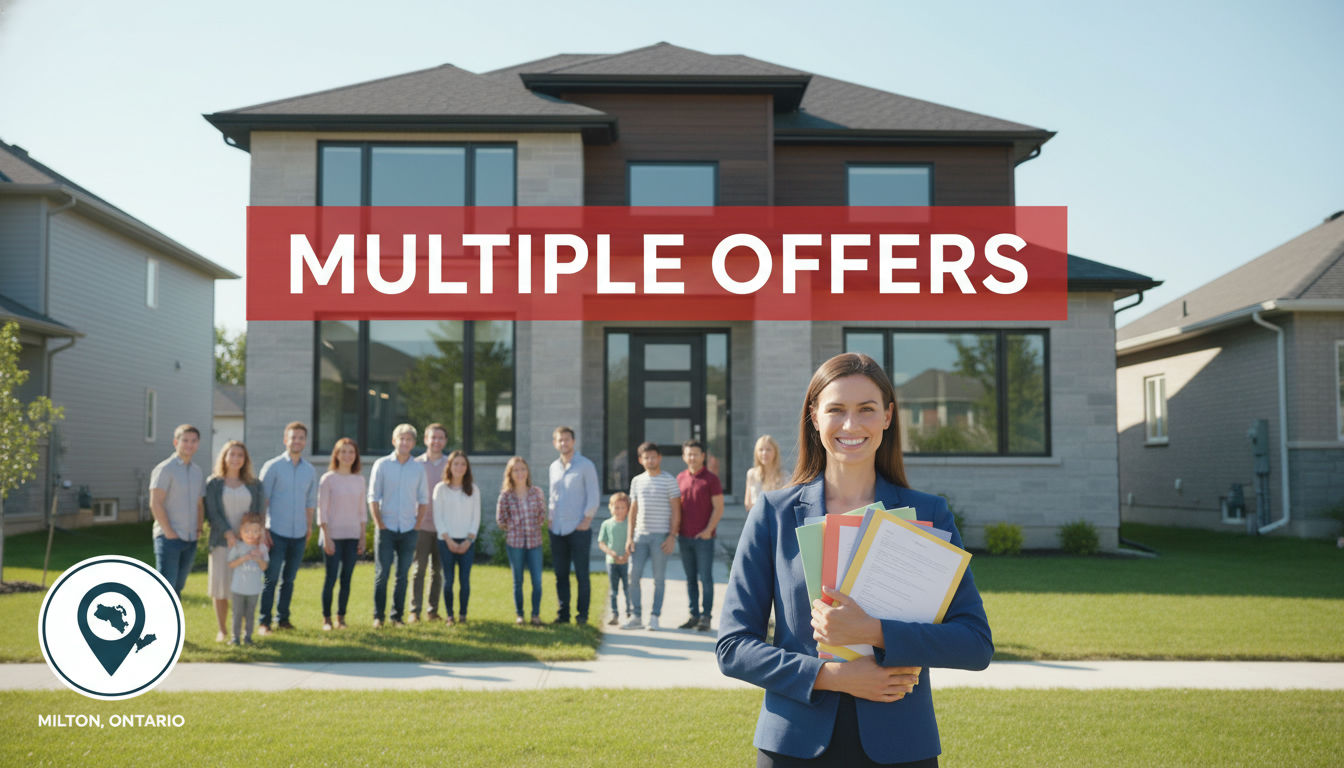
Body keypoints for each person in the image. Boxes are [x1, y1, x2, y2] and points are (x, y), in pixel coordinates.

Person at [717, 353, 992, 767]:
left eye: (866, 409)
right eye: (836, 410)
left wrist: (874, 631)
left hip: (901, 746)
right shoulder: (774, 513)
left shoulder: (928, 514)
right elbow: (733, 646)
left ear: (888, 416)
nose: (851, 425)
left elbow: (974, 644)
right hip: (793, 746)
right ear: (814, 416)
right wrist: (830, 677)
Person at [257, 422, 318, 634]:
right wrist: (263, 530)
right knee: (271, 578)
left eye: (301, 438)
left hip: (299, 533)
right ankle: (264, 622)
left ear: (305, 442)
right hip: (275, 533)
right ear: (285, 440)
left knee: (289, 580)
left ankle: (283, 619)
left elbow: (310, 502)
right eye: (293, 437)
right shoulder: (272, 467)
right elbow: (262, 500)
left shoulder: (309, 471)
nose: (297, 441)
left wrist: (309, 528)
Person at [368, 423, 430, 628]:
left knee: (402, 575)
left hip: (409, 530)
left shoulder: (418, 468)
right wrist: (380, 525)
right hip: (386, 529)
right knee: (382, 574)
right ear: (394, 441)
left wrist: (417, 526)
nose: (404, 442)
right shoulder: (382, 465)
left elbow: (423, 499)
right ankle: (378, 616)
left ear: (413, 443)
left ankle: (397, 617)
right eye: (401, 439)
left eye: (409, 439)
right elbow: (373, 497)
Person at [204, 440, 264, 642]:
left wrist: (253, 537)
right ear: (224, 457)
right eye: (232, 454)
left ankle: (243, 633)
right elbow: (212, 512)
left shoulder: (255, 485)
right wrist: (229, 534)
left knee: (244, 589)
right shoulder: (214, 483)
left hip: (248, 545)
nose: (236, 459)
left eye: (240, 455)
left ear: (245, 459)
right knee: (220, 588)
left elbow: (258, 513)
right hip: (222, 543)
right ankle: (222, 630)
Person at [623, 441, 681, 631]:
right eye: (646, 457)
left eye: (653, 456)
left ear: (659, 458)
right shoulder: (636, 481)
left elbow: (676, 510)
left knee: (658, 578)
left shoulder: (669, 480)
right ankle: (636, 615)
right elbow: (633, 511)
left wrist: (672, 536)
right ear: (641, 460)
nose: (650, 460)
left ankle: (655, 616)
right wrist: (629, 537)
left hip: (660, 537)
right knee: (633, 575)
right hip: (640, 536)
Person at [547, 426, 600, 625]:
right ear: (555, 443)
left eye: (567, 440)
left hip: (579, 529)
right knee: (560, 575)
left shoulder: (586, 465)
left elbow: (594, 496)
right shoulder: (553, 467)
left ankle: (582, 616)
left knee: (581, 574)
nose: (563, 443)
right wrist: (550, 518)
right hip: (557, 529)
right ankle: (563, 615)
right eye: (560, 440)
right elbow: (553, 497)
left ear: (573, 441)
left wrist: (586, 520)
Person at [149, 424, 206, 596]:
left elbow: (199, 504)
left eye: (193, 441)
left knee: (177, 589)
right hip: (169, 539)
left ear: (198, 443)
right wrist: (169, 532)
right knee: (166, 590)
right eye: (185, 440)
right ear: (176, 442)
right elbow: (155, 503)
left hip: (190, 539)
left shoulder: (197, 471)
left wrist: (198, 529)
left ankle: (174, 623)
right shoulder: (165, 469)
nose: (189, 444)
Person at [318, 437, 367, 631]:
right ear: (336, 455)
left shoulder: (360, 480)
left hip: (352, 535)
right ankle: (327, 619)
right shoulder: (328, 479)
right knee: (331, 578)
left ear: (356, 456)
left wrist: (363, 537)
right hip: (333, 535)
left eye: (351, 452)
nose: (347, 456)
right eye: (343, 452)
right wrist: (327, 537)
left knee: (347, 578)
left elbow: (362, 511)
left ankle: (341, 618)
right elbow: (322, 511)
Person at [677, 439, 724, 632]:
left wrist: (707, 530)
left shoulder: (712, 480)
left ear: (703, 456)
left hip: (704, 538)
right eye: (688, 454)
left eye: (695, 454)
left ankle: (706, 617)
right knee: (690, 579)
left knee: (705, 578)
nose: (692, 457)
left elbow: (718, 508)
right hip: (684, 537)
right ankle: (693, 615)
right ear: (683, 456)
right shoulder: (680, 478)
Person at [497, 456, 547, 625]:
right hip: (515, 543)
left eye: (523, 469)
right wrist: (514, 525)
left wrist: (535, 522)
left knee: (537, 581)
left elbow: (542, 515)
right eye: (516, 470)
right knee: (518, 580)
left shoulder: (536, 492)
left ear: (527, 472)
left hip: (534, 543)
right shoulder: (506, 496)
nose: (520, 473)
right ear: (510, 474)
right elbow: (500, 519)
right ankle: (520, 615)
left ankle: (535, 615)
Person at [433, 450, 480, 626]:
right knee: (449, 579)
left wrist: (469, 540)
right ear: (449, 466)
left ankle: (463, 615)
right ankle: (450, 616)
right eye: (455, 464)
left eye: (462, 464)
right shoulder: (441, 489)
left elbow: (476, 518)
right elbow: (438, 517)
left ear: (467, 468)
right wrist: (449, 540)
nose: (459, 467)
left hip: (467, 541)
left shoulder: (473, 489)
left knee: (464, 580)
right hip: (446, 541)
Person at [409, 423, 449, 624]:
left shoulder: (451, 464)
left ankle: (433, 611)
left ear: (445, 441)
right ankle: (414, 611)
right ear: (425, 440)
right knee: (419, 569)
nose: (436, 441)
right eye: (433, 437)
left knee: (437, 571)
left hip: (443, 527)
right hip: (421, 525)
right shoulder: (416, 464)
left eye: (440, 438)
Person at [227, 513, 269, 646]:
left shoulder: (262, 548)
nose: (250, 534)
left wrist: (257, 558)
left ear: (260, 532)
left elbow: (264, 567)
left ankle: (248, 637)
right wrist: (245, 557)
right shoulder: (238, 547)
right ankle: (235, 638)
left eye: (255, 531)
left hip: (254, 589)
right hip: (238, 588)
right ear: (241, 531)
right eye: (247, 531)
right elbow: (231, 564)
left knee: (250, 614)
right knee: (237, 614)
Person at [597, 492, 632, 626]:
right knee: (613, 590)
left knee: (627, 588)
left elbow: (632, 540)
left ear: (628, 509)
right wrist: (612, 553)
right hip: (612, 562)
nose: (618, 511)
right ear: (610, 507)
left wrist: (626, 555)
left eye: (622, 508)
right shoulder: (607, 524)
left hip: (626, 561)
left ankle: (630, 612)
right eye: (615, 507)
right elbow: (601, 542)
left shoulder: (629, 524)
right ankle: (614, 614)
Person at [744, 435, 786, 512]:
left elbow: (785, 504)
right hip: (756, 519)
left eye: (768, 449)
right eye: (760, 449)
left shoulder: (784, 476)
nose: (764, 453)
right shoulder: (751, 474)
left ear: (775, 452)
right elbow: (747, 504)